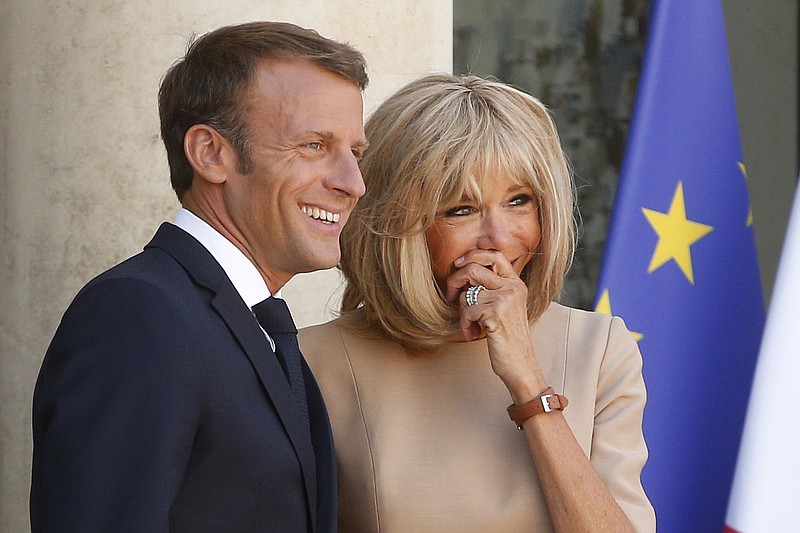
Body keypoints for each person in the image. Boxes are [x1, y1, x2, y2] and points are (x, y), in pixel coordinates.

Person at [30, 21, 368, 532]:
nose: (353, 183)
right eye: (313, 146)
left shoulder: (247, 320)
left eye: (355, 152)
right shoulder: (139, 315)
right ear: (211, 153)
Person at [299, 73, 656, 532]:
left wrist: (526, 379)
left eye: (519, 201)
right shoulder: (314, 360)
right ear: (397, 225)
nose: (498, 240)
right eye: (460, 209)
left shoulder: (599, 348)